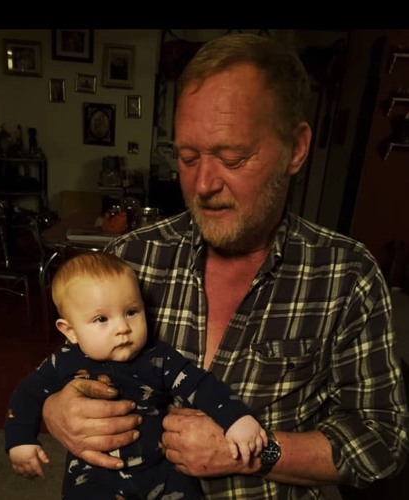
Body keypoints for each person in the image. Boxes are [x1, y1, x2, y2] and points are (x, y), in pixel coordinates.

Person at [42, 33, 409, 498]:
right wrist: (55, 409)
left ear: (296, 149)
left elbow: (382, 443)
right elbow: (71, 363)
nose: (203, 184)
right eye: (187, 157)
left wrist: (252, 451)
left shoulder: (347, 275)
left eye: (232, 157)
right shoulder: (131, 256)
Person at [5, 251, 267, 499]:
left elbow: (201, 384)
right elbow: (27, 393)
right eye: (101, 319)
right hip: (93, 473)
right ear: (70, 331)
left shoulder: (159, 356)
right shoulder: (63, 360)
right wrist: (20, 440)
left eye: (131, 312)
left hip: (161, 467)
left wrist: (236, 418)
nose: (123, 327)